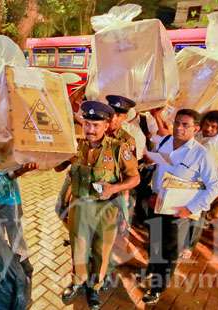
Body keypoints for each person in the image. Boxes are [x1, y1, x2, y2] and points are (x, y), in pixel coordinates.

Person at [56, 101, 140, 309]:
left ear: (106, 125)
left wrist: (113, 189)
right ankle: (78, 282)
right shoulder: (76, 147)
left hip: (106, 209)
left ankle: (94, 287)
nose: (90, 130)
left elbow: (134, 178)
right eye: (86, 124)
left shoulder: (119, 149)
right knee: (79, 247)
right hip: (79, 207)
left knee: (102, 249)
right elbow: (58, 168)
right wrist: (62, 156)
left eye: (96, 125)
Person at [142, 109, 218, 305]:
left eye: (185, 125)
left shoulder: (201, 154)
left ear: (196, 128)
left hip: (179, 211)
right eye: (177, 122)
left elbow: (215, 186)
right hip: (158, 204)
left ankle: (157, 288)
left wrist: (191, 208)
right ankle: (152, 271)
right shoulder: (164, 142)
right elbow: (158, 166)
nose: (179, 127)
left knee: (169, 251)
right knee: (154, 242)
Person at [0, 161, 38, 262]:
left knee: (12, 241)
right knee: (1, 239)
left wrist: (21, 169)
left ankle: (21, 270)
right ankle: (13, 270)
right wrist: (21, 170)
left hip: (5, 198)